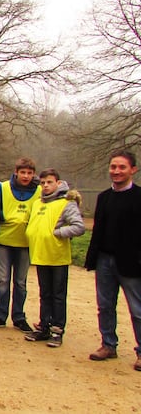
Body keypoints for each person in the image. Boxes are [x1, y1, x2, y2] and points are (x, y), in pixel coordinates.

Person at [86, 149, 141, 371]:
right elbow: (98, 230)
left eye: (121, 167)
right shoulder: (104, 197)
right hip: (105, 260)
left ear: (133, 170)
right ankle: (108, 344)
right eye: (113, 167)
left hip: (131, 263)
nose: (116, 171)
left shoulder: (139, 197)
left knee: (137, 309)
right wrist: (93, 258)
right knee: (105, 306)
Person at [23, 169, 84, 347]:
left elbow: (78, 226)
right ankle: (44, 326)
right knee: (45, 294)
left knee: (58, 295)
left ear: (58, 183)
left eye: (49, 182)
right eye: (43, 183)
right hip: (41, 255)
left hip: (57, 257)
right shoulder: (38, 203)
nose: (45, 186)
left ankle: (57, 329)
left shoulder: (66, 203)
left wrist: (57, 233)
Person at [0, 158, 40, 334]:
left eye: (29, 173)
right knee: (3, 280)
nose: (26, 176)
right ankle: (0, 315)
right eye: (22, 172)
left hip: (25, 242)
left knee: (20, 282)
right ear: (16, 172)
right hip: (4, 240)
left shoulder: (39, 191)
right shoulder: (2, 188)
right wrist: (3, 216)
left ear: (33, 174)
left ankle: (19, 317)